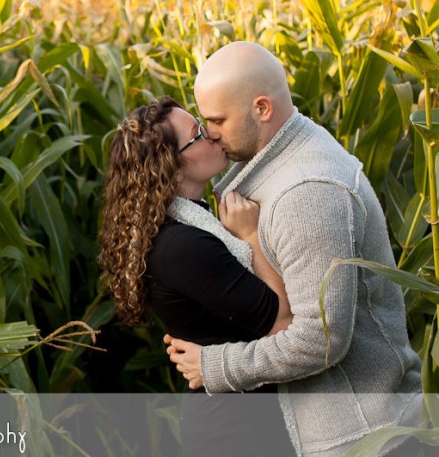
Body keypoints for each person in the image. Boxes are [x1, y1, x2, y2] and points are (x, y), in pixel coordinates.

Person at [166, 41, 424, 456]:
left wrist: (215, 366)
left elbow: (320, 340)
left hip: (361, 436)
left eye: (217, 120)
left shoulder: (309, 195)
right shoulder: (281, 154)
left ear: (262, 109)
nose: (209, 133)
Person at [98, 96, 294, 455]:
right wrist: (251, 236)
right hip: (237, 431)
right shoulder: (181, 246)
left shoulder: (189, 222)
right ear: (171, 167)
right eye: (199, 133)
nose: (213, 135)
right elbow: (281, 322)